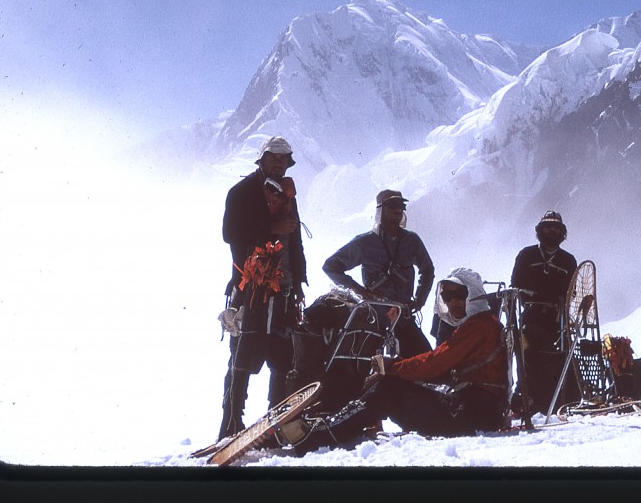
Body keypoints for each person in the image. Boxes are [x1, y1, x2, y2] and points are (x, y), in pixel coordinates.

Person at [282, 268, 510, 453]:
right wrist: (399, 368)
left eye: (459, 295)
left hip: (470, 414)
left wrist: (392, 369)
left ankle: (320, 436)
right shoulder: (484, 324)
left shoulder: (478, 326)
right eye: (446, 296)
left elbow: (436, 362)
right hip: (478, 411)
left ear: (473, 295)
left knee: (387, 388)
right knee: (395, 384)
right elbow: (440, 363)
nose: (452, 302)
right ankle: (337, 427)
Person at [216, 136, 308, 440]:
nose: (279, 164)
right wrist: (271, 229)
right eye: (274, 159)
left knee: (283, 357)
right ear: (262, 159)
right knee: (242, 354)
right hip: (250, 287)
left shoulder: (287, 194)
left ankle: (276, 423)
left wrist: (299, 279)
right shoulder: (241, 192)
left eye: (284, 160)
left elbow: (294, 240)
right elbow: (230, 234)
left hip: (283, 288)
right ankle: (230, 424)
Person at [323, 189, 435, 359]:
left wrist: (420, 301)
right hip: (373, 321)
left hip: (402, 319)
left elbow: (427, 270)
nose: (398, 210)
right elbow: (331, 266)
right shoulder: (364, 243)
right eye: (393, 205)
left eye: (401, 206)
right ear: (381, 210)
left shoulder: (411, 241)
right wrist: (358, 290)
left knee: (427, 361)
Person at [510, 210, 578, 413]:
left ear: (562, 231)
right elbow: (515, 286)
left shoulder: (568, 261)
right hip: (530, 317)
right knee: (527, 356)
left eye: (555, 227)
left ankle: (551, 400)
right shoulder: (526, 255)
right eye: (547, 227)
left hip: (556, 320)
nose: (551, 231)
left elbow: (571, 292)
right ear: (540, 231)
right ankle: (525, 397)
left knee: (555, 358)